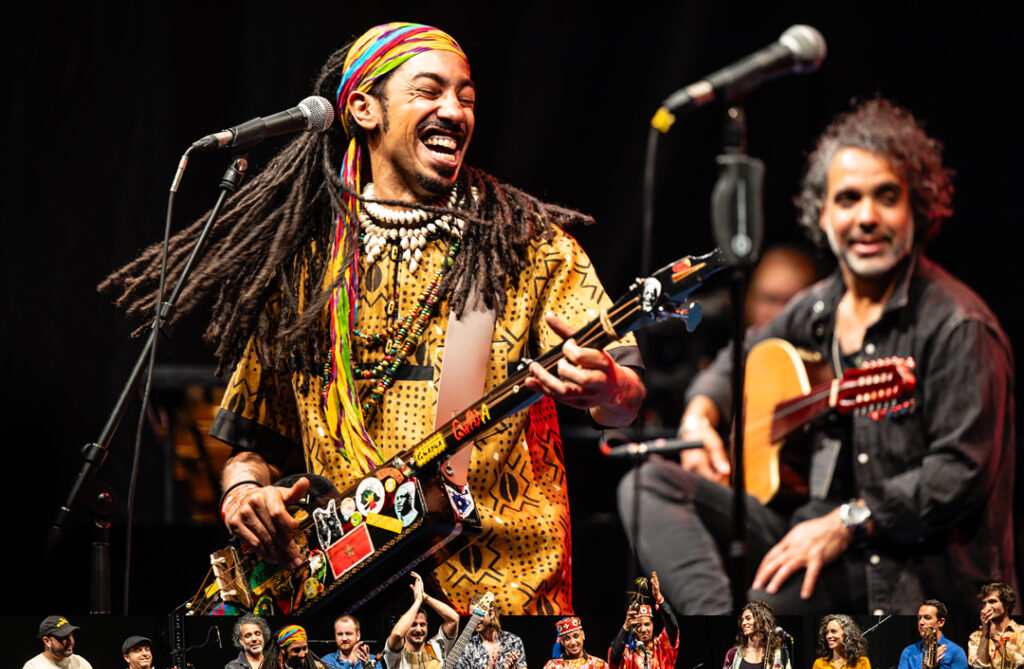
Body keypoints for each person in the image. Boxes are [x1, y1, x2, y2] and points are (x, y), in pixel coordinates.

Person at [102, 21, 644, 617]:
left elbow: (623, 399)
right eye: (429, 92)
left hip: (499, 604)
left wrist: (609, 386)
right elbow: (254, 447)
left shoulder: (522, 245)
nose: (455, 111)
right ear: (363, 108)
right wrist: (244, 493)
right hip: (342, 600)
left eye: (465, 97)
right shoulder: (304, 263)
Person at [619, 98, 1015, 619]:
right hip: (812, 532)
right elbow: (734, 360)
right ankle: (720, 639)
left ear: (917, 208)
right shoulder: (820, 306)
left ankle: (736, 639)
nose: (866, 217)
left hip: (909, 575)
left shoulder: (957, 325)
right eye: (848, 199)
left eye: (886, 197)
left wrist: (845, 522)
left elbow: (960, 472)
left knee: (765, 606)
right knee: (647, 486)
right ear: (822, 214)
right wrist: (702, 417)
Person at [968, 581, 1024, 669]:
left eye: (992, 602)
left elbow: (1019, 667)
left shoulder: (1021, 633)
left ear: (1007, 604)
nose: (986, 607)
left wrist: (996, 639)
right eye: (984, 603)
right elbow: (980, 667)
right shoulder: (977, 636)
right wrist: (986, 635)